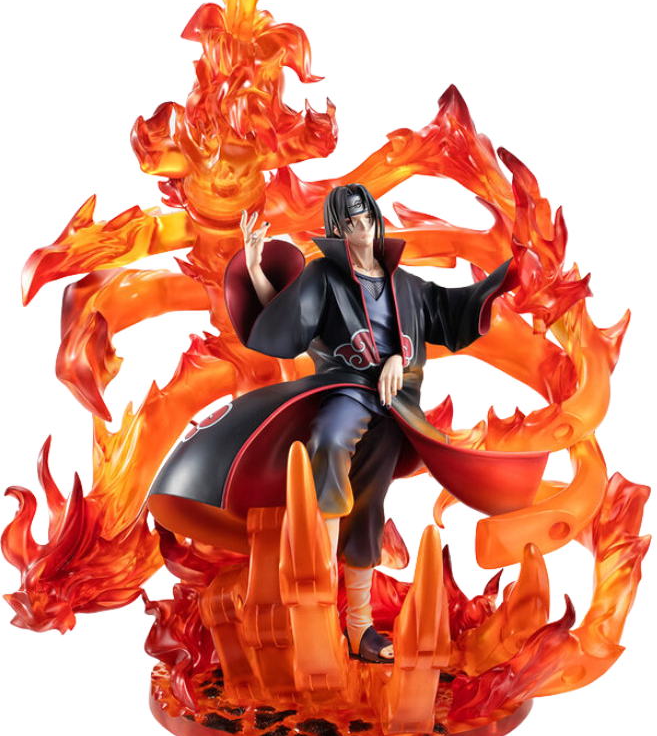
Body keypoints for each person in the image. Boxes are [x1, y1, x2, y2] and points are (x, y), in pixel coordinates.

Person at [147, 184, 547, 662]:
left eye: (367, 219)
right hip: (348, 387)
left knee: (369, 503)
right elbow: (289, 323)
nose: (362, 230)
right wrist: (254, 268)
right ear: (338, 231)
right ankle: (317, 572)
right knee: (331, 440)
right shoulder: (325, 277)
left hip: (396, 406)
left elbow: (450, 308)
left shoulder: (405, 284)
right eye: (351, 223)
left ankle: (359, 630)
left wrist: (507, 276)